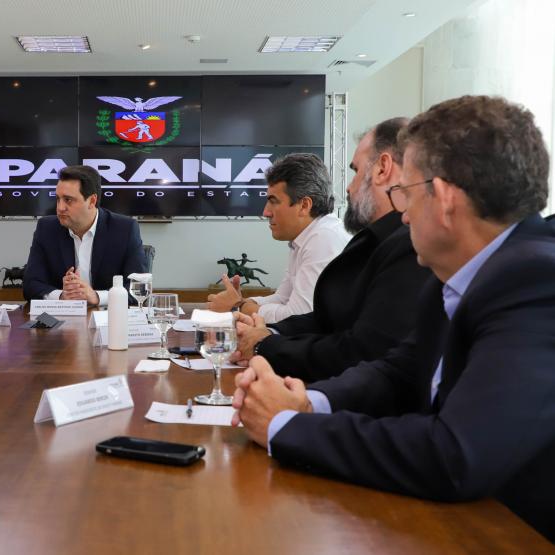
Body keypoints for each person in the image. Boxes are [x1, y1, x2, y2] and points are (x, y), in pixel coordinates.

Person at [231, 95, 555, 542]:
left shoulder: (537, 282)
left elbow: (454, 454)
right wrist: (307, 401)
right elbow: (397, 370)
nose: (402, 213)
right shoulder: (460, 273)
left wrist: (287, 426)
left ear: (442, 199)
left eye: (405, 193)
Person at [230, 118, 432, 380]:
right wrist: (269, 335)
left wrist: (260, 334)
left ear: (383, 169)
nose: (348, 187)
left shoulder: (404, 245)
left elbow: (360, 352)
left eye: (355, 171)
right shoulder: (376, 239)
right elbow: (330, 319)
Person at [207, 153, 349, 323]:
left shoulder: (324, 239)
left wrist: (238, 306)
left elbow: (298, 317)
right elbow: (282, 298)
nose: (265, 212)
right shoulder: (306, 238)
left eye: (273, 201)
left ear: (304, 205)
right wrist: (244, 303)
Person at [22, 165, 146, 306]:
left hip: (109, 321)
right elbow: (30, 285)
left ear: (92, 201)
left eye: (68, 200)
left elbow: (140, 289)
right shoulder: (47, 228)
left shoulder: (125, 229)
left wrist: (96, 297)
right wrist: (62, 296)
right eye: (58, 199)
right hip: (61, 322)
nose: (60, 207)